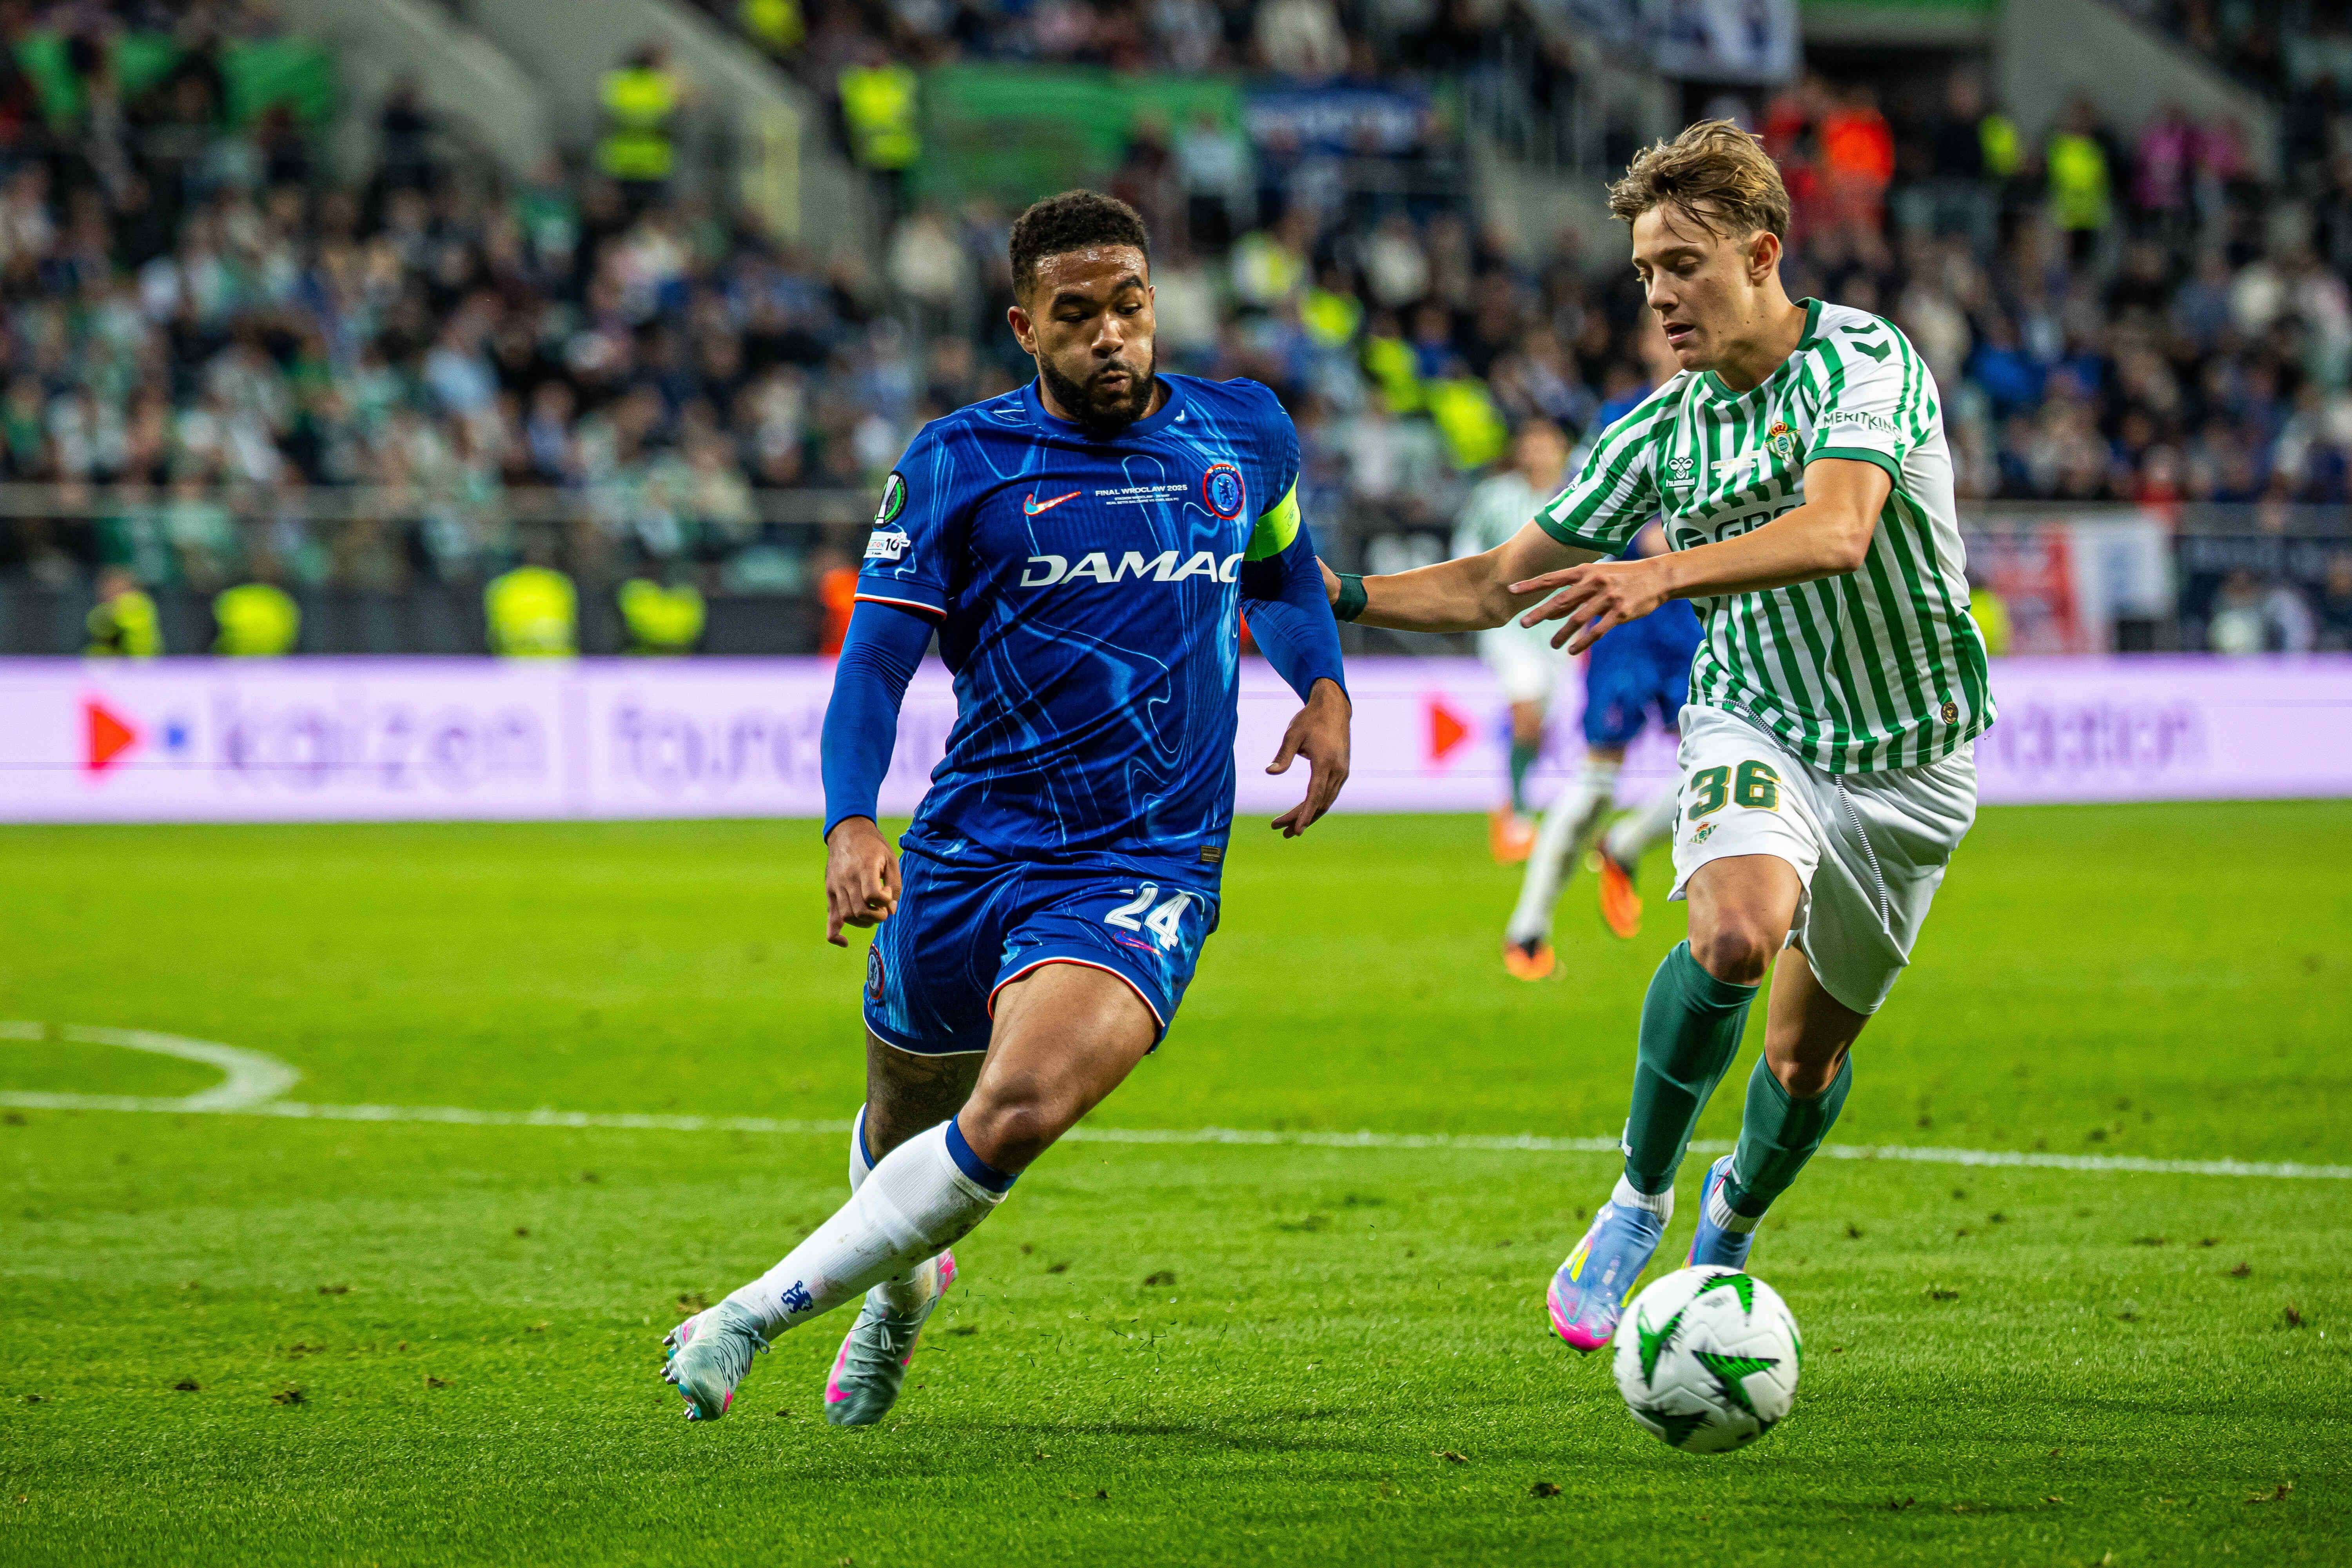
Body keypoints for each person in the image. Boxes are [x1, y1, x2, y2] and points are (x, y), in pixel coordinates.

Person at [662, 191, 1352, 1425]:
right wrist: (850, 821)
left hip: (1144, 860)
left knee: (1017, 1108)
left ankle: (749, 1314)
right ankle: (898, 1300)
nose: (1109, 336)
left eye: (1128, 307)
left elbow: (1285, 570)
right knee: (902, 1115)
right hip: (974, 845)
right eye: (1075, 314)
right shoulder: (956, 464)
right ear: (1023, 326)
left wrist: (1324, 686)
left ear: (1155, 305)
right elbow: (874, 664)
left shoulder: (1242, 432)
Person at [1320, 121, 1991, 1353]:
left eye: (1681, 264)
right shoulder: (1654, 431)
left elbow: (1839, 529)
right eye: (1642, 273)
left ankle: (1728, 1220)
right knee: (1733, 931)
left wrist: (1662, 572)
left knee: (1800, 1063)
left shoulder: (1865, 362)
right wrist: (1341, 595)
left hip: (1911, 755)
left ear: (1759, 253)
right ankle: (1637, 1196)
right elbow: (1492, 585)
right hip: (1759, 713)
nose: (1659, 294)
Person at [1500, 517, 1700, 979]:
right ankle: (1527, 929)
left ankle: (1624, 843)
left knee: (1710, 762)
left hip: (1687, 619)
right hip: (1624, 625)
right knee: (1596, 784)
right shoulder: (1638, 452)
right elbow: (1652, 536)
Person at [1453, 419, 1570, 862]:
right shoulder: (1496, 496)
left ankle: (1516, 800)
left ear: (1562, 450)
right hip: (1508, 625)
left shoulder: (1577, 495)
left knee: (1541, 723)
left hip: (1558, 625)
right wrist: (1478, 594)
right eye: (1532, 444)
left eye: (1548, 445)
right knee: (1526, 716)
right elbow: (1466, 547)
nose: (1539, 454)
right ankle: (1518, 816)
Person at [85, 566, 160, 657]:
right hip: (116, 661)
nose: (111, 592)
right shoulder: (103, 610)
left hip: (143, 660)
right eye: (108, 588)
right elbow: (98, 629)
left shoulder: (140, 604)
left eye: (118, 587)